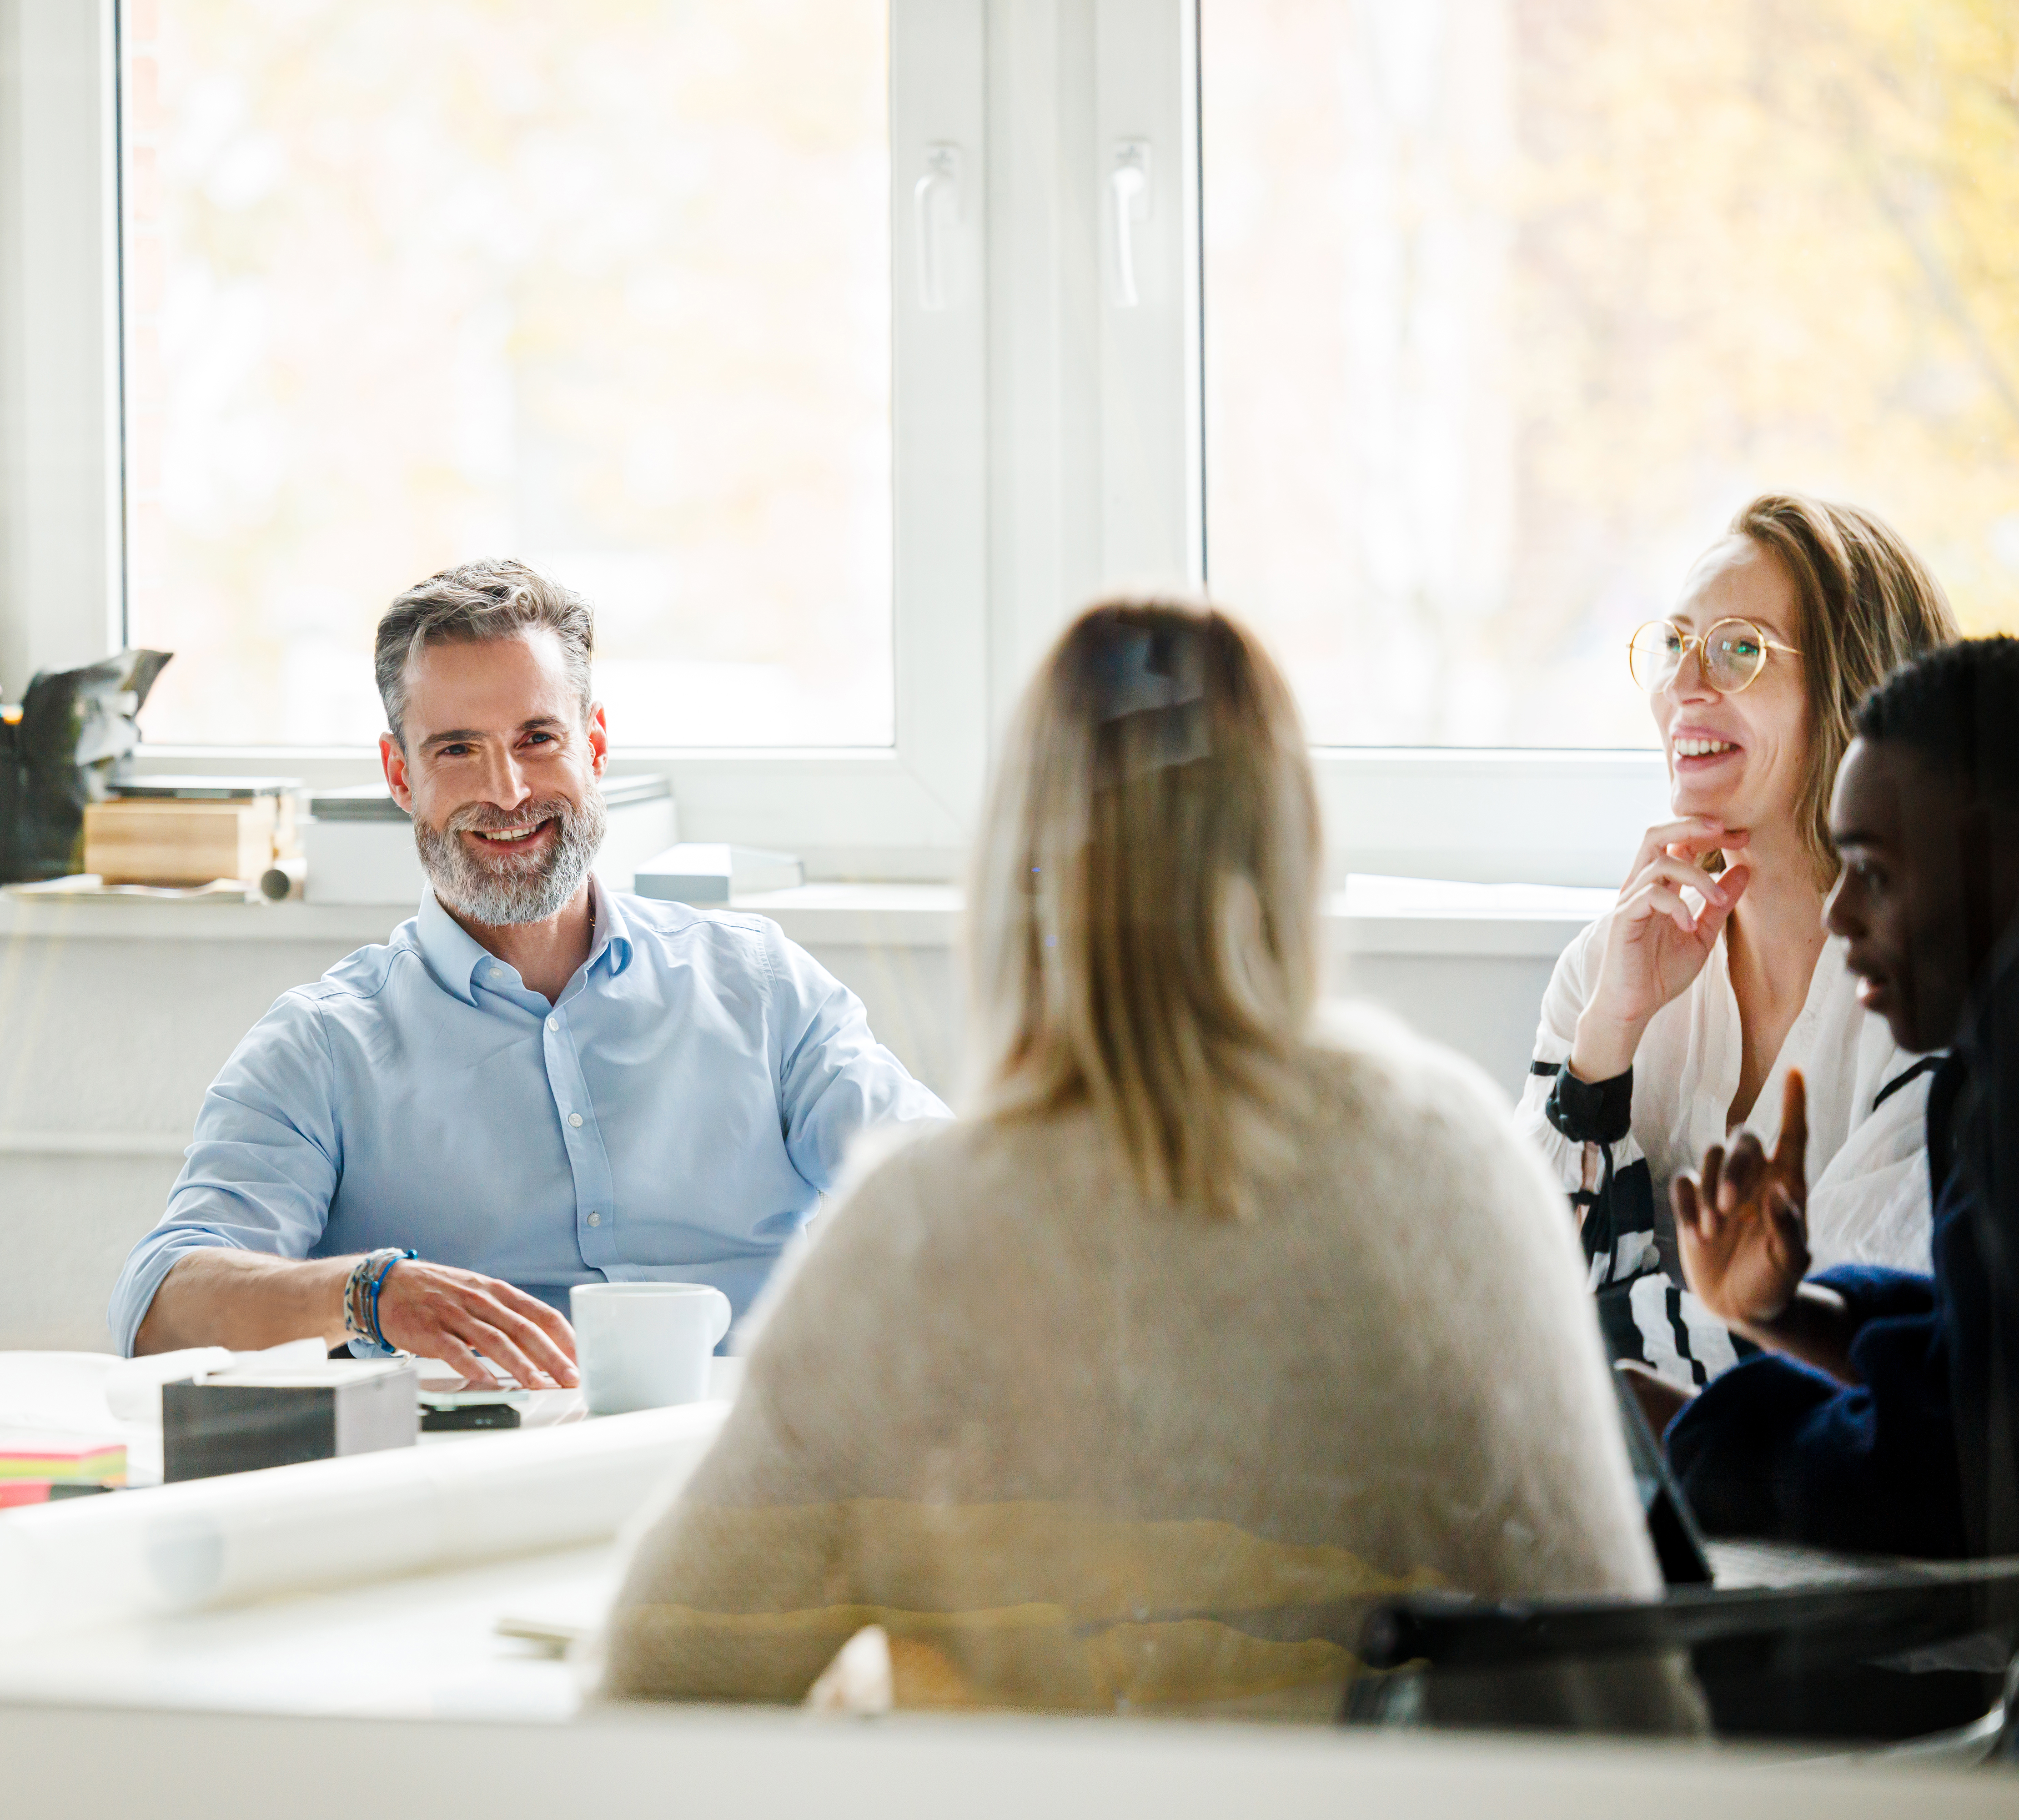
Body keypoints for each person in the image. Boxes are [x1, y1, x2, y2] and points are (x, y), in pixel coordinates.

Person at [596, 600, 1699, 1727]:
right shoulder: (1443, 1177)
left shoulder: (911, 1236)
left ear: (1016, 870)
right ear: (1293, 847)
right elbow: (1623, 1709)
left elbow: (656, 1677)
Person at [111, 560, 946, 1384]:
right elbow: (159, 1310)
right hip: (472, 1489)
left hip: (751, 1468)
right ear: (401, 775)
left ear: (596, 744)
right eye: (458, 750)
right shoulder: (323, 1046)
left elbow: (951, 1190)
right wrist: (367, 1293)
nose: (507, 791)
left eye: (537, 739)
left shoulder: (761, 990)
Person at [1515, 495, 1957, 1388]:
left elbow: (1840, 1353)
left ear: (1860, 695)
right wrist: (1605, 1046)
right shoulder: (1607, 969)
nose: (1683, 687)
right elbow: (1510, 1287)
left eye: (1740, 649)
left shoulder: (1942, 1002)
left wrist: (1591, 1344)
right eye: (1676, 644)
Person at [1652, 637, 2019, 1559]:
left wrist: (1709, 1444)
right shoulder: (1978, 1068)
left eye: (1878, 875)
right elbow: (1973, 1359)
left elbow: (1955, 1476)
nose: (1839, 914)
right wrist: (1780, 1313)